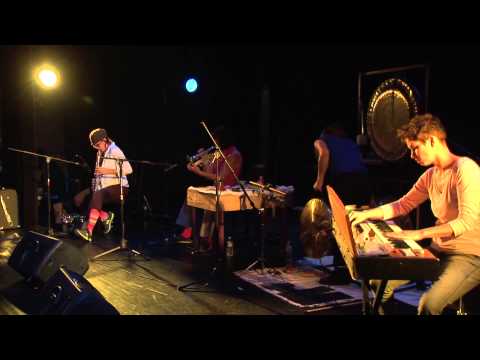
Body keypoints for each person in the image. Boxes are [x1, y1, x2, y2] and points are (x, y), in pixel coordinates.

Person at [349, 114, 480, 315]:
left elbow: (466, 222)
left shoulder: (466, 169)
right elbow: (403, 204)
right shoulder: (430, 175)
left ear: (432, 140)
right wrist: (367, 215)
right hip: (439, 250)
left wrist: (418, 234)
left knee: (428, 305)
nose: (412, 155)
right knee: (378, 280)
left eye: (414, 148)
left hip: (469, 256)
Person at [176, 125, 243, 252]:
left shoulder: (234, 155)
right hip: (215, 188)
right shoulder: (218, 153)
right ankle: (190, 232)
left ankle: (205, 239)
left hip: (228, 191)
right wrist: (200, 159)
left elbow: (220, 177)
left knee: (207, 203)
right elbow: (198, 167)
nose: (214, 142)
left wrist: (199, 172)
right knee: (191, 196)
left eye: (216, 139)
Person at [75, 128, 133, 242]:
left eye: (98, 144)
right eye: (94, 146)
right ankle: (105, 217)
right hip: (105, 189)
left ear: (105, 140)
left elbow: (129, 169)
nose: (97, 147)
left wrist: (108, 171)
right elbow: (100, 175)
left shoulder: (115, 150)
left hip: (120, 188)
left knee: (98, 195)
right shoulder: (99, 154)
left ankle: (88, 232)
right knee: (93, 200)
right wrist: (95, 184)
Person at [313, 121, 371, 205]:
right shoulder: (350, 142)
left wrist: (319, 181)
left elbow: (324, 153)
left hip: (344, 181)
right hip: (363, 180)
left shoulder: (320, 140)